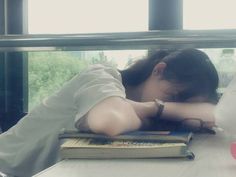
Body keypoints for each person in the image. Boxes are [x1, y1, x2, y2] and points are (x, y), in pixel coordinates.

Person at [0, 48, 219, 177]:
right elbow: (108, 122)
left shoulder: (139, 105)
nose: (171, 107)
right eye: (172, 97)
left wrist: (153, 109)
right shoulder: (101, 77)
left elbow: (215, 115)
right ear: (158, 70)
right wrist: (152, 110)